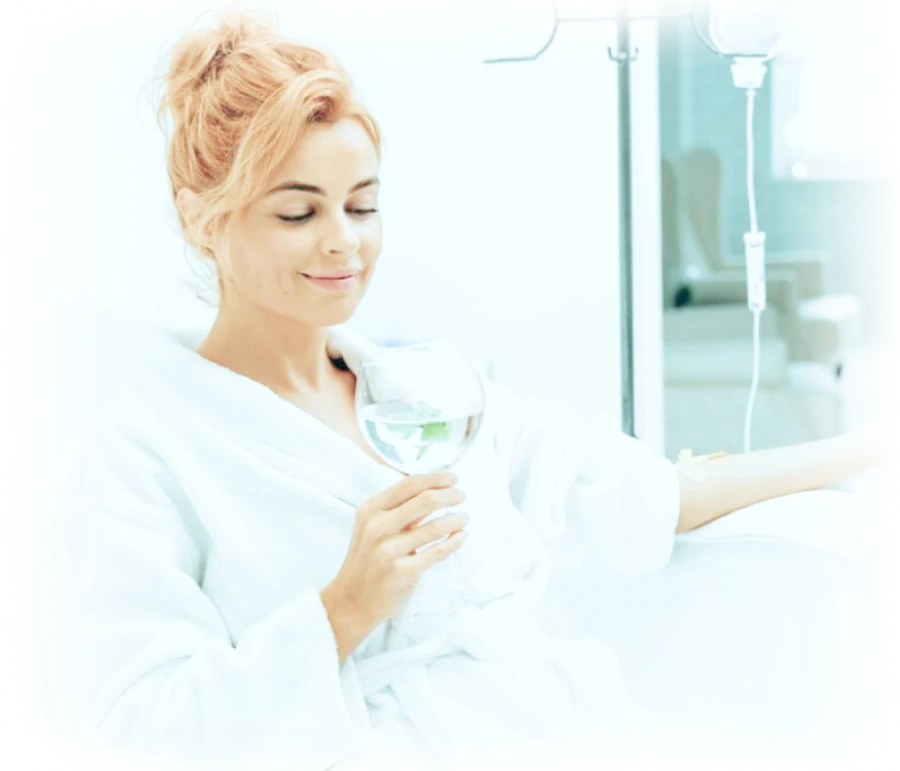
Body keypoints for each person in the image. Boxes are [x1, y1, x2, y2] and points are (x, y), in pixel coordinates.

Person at [35, 2, 898, 770]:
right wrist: (342, 609)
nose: (344, 243)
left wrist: (879, 439)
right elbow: (131, 732)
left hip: (549, 729)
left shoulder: (427, 395)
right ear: (200, 217)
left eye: (363, 205)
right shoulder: (139, 455)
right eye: (298, 212)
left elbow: (653, 493)